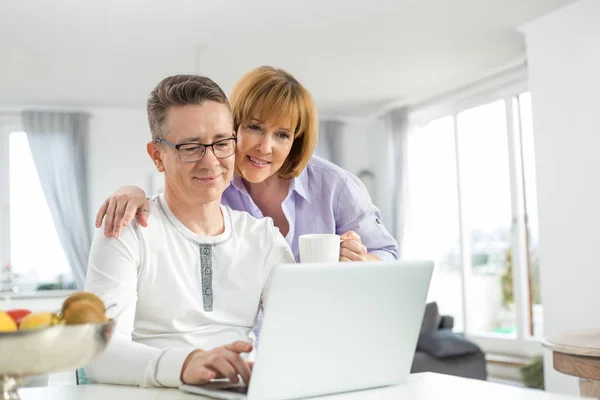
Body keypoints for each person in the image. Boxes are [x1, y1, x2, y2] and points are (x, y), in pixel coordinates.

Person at [84, 74, 295, 388]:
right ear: (157, 156)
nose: (211, 162)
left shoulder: (264, 239)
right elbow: (99, 354)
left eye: (222, 143)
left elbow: (301, 338)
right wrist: (186, 363)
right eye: (191, 147)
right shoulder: (127, 230)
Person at [96, 66, 398, 263]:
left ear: (296, 139)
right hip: (240, 345)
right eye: (255, 127)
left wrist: (361, 261)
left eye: (282, 134)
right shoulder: (213, 185)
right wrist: (132, 191)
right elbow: (171, 206)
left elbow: (389, 255)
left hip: (320, 333)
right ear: (233, 126)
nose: (265, 147)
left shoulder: (335, 186)